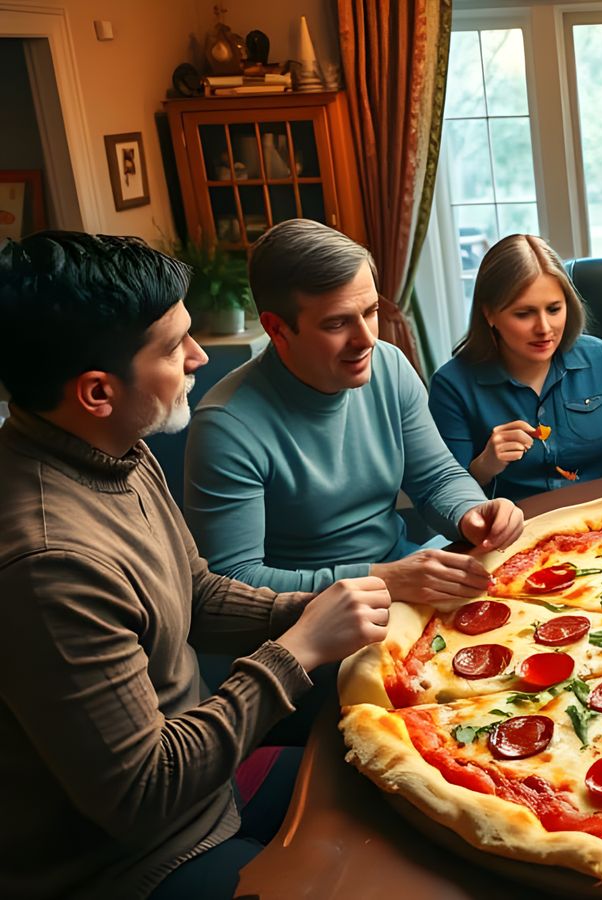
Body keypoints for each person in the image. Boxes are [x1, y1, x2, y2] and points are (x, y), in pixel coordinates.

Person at [0, 232, 393, 897]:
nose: (199, 356)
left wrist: (321, 608)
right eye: (173, 346)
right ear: (98, 391)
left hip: (209, 797)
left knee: (399, 787)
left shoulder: (113, 445)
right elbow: (142, 794)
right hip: (138, 864)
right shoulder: (49, 564)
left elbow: (198, 594)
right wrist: (297, 649)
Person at [185, 220, 523, 605]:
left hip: (405, 582)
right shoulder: (226, 426)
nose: (366, 339)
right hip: (302, 621)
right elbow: (231, 584)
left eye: (371, 310)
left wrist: (472, 511)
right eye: (337, 323)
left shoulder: (390, 365)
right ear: (276, 329)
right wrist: (381, 579)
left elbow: (436, 478)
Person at [428, 234, 602, 498]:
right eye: (524, 314)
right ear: (489, 314)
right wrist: (485, 466)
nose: (544, 329)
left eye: (554, 309)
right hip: (516, 532)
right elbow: (446, 501)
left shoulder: (599, 358)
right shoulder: (452, 386)